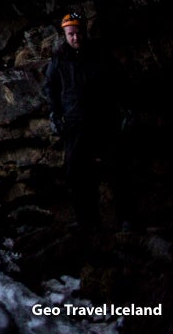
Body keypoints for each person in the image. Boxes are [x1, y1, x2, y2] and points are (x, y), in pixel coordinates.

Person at [43, 12, 133, 231]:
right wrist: (56, 115)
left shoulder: (100, 55)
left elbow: (120, 82)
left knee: (117, 170)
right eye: (71, 34)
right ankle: (88, 222)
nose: (76, 38)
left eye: (79, 33)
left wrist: (127, 110)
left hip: (104, 122)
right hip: (75, 125)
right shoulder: (59, 60)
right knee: (77, 175)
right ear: (64, 35)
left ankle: (125, 218)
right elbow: (50, 89)